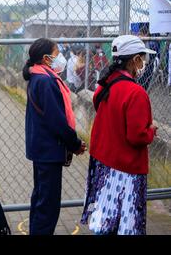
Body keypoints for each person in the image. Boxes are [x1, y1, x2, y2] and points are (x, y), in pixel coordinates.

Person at [81, 35, 158, 235]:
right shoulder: (135, 92)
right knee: (128, 221)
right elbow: (137, 136)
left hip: (105, 164)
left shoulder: (106, 84)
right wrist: (152, 130)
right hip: (126, 168)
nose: (144, 63)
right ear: (134, 60)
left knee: (106, 218)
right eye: (142, 58)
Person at [22, 38, 86, 235]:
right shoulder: (46, 81)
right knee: (48, 206)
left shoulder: (38, 77)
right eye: (57, 54)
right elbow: (57, 121)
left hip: (41, 149)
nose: (61, 58)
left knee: (41, 199)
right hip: (48, 151)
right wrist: (75, 143)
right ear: (46, 58)